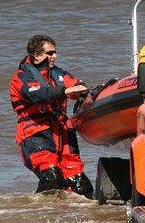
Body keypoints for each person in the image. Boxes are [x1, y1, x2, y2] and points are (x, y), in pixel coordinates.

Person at [10, 35, 94, 197]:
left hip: (62, 133)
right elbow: (36, 94)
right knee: (51, 176)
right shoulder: (21, 77)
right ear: (36, 55)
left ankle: (78, 214)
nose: (54, 56)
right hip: (36, 133)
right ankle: (41, 213)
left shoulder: (59, 74)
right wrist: (65, 91)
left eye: (54, 53)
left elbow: (76, 85)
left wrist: (82, 92)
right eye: (50, 53)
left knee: (79, 183)